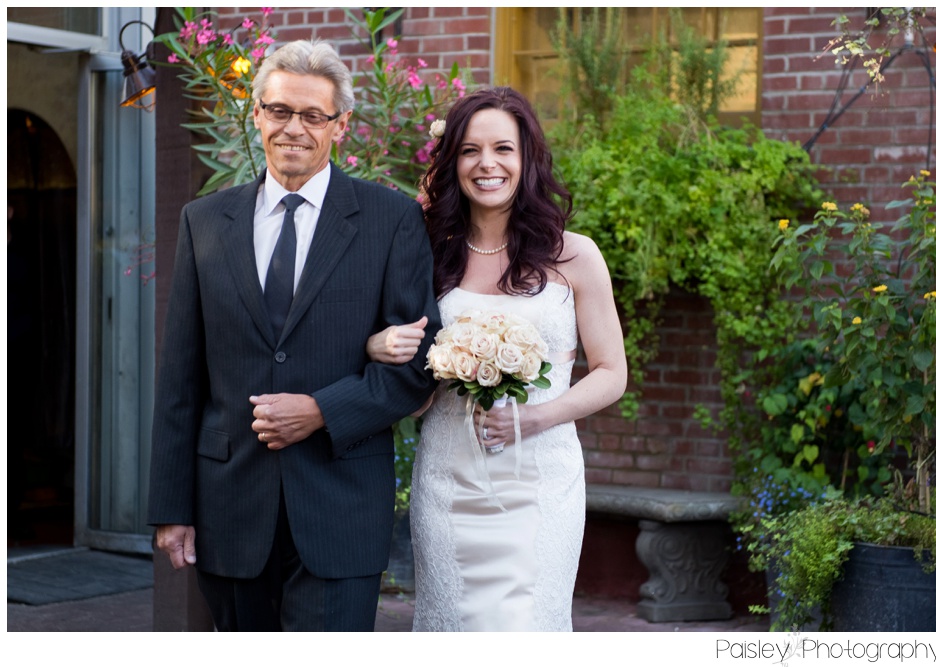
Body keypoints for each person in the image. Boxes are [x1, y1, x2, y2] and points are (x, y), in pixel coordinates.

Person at [146, 39, 441, 632]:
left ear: (341, 125)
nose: (294, 129)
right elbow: (181, 376)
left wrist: (319, 411)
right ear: (257, 114)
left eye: (313, 115)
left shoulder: (391, 220)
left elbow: (417, 365)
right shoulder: (204, 221)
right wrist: (171, 508)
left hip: (341, 503)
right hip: (230, 506)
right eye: (280, 111)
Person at [366, 87, 627, 631]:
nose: (487, 164)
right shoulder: (427, 254)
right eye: (469, 150)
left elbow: (611, 373)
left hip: (541, 484)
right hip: (447, 480)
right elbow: (393, 351)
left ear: (526, 158)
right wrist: (378, 349)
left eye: (503, 148)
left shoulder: (574, 254)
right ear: (452, 162)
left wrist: (535, 417)